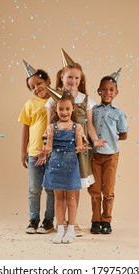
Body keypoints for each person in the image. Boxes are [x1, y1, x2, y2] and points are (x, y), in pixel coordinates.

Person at [45, 50, 105, 236]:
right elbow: (49, 127)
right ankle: (60, 222)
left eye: (77, 78)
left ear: (81, 80)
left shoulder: (85, 100)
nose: (73, 81)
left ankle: (73, 222)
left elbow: (90, 126)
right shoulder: (53, 99)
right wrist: (46, 147)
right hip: (59, 150)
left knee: (74, 185)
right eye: (70, 77)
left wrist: (95, 139)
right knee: (59, 186)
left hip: (80, 150)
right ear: (62, 77)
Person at [39, 92, 91, 243]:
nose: (64, 112)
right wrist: (44, 151)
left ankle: (71, 230)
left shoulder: (77, 127)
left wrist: (81, 148)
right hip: (55, 165)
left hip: (70, 165)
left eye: (67, 109)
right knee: (58, 198)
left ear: (73, 109)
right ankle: (60, 229)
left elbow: (79, 145)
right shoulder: (51, 127)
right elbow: (48, 147)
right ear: (56, 110)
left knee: (71, 198)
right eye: (61, 109)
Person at [88, 74, 128, 234]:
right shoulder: (93, 111)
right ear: (98, 91)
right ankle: (96, 220)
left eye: (111, 89)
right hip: (95, 155)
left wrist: (111, 138)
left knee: (108, 190)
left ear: (116, 92)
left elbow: (124, 134)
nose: (107, 92)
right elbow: (89, 127)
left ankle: (107, 221)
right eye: (104, 89)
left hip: (111, 156)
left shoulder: (119, 113)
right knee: (95, 189)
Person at [18, 60, 54, 234]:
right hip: (34, 152)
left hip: (52, 153)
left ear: (47, 81)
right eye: (32, 87)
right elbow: (25, 127)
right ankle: (33, 220)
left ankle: (48, 221)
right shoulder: (30, 104)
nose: (37, 88)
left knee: (51, 188)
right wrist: (23, 151)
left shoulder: (56, 101)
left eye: (39, 83)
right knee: (34, 188)